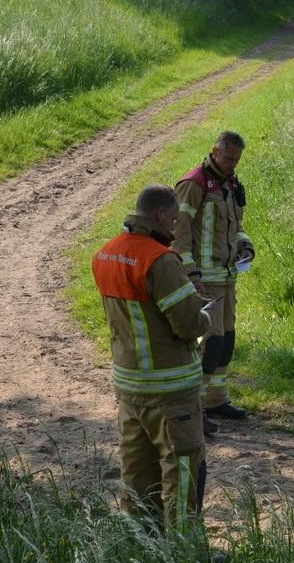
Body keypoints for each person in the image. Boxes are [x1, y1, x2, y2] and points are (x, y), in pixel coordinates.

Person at [92, 185, 214, 528]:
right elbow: (188, 324)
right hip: (172, 391)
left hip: (130, 390)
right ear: (159, 215)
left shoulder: (105, 254)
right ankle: (183, 551)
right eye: (174, 220)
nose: (175, 228)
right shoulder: (159, 260)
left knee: (137, 474)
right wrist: (206, 317)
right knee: (182, 470)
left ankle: (141, 544)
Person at [174, 131, 254, 432]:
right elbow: (178, 233)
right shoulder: (193, 184)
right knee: (211, 343)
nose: (232, 164)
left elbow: (236, 225)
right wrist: (190, 275)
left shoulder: (230, 184)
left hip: (228, 277)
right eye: (228, 158)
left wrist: (246, 245)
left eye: (236, 160)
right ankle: (194, 408)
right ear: (214, 151)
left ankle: (216, 400)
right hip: (204, 281)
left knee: (227, 341)